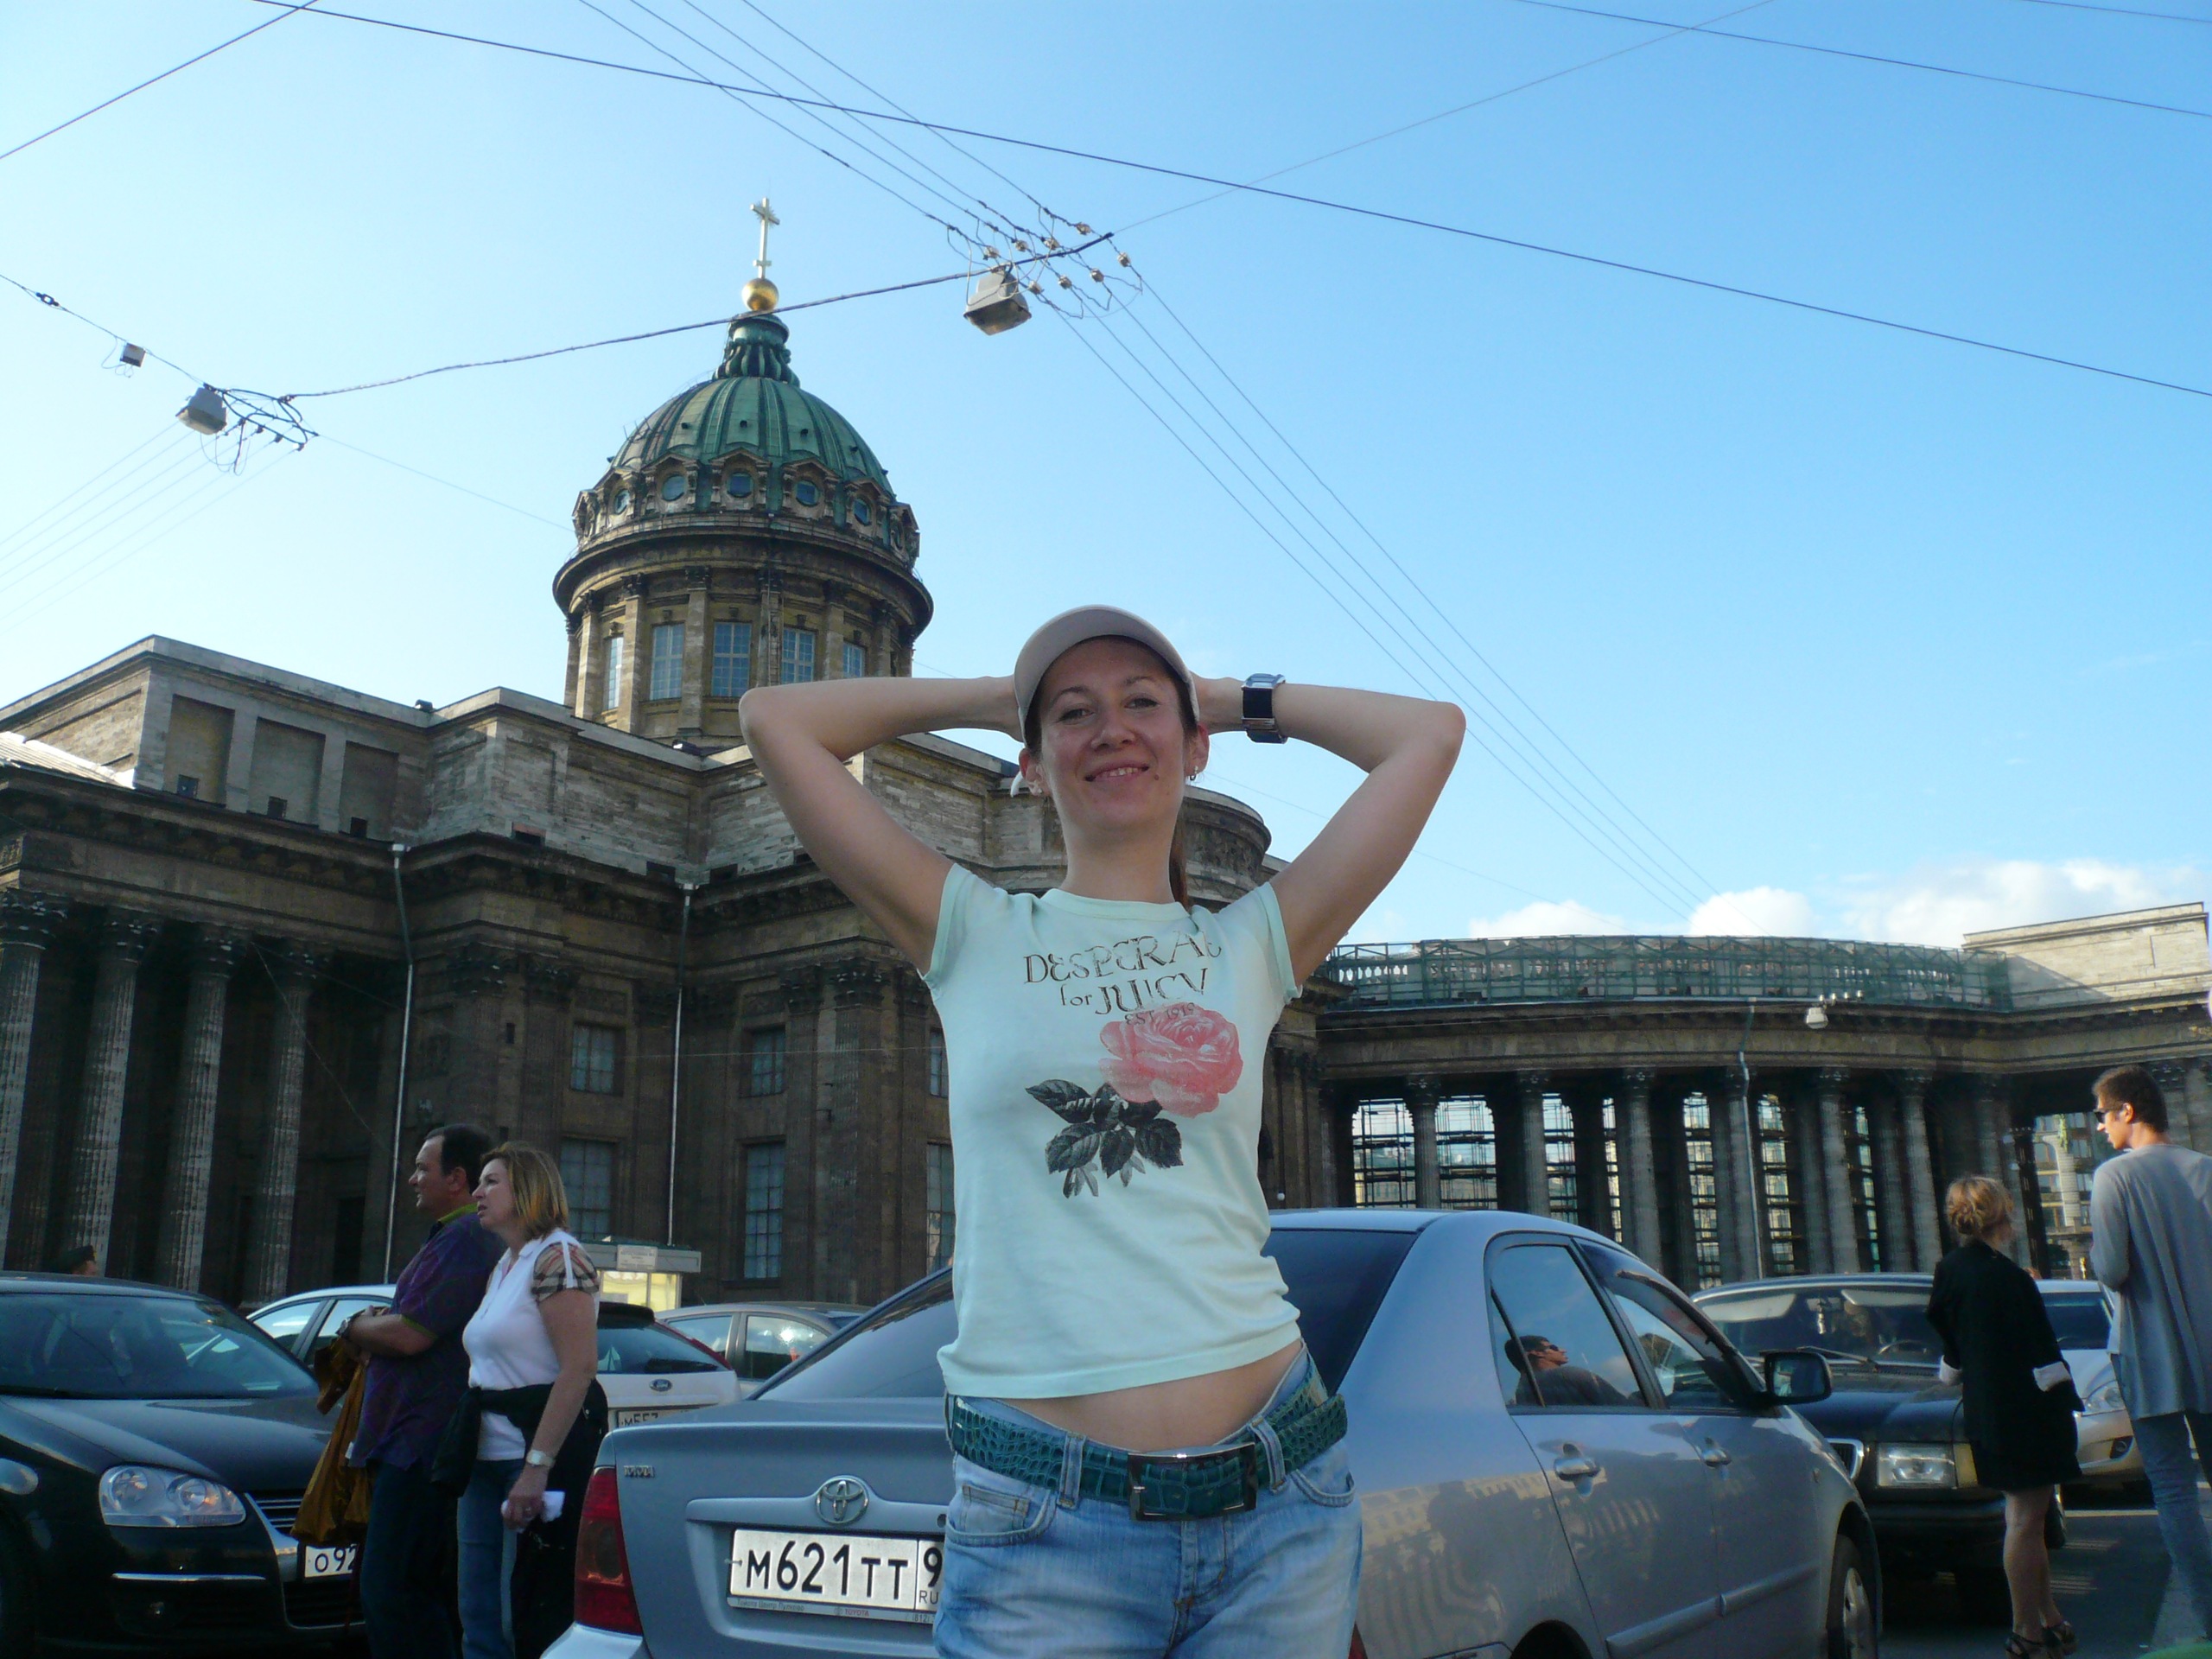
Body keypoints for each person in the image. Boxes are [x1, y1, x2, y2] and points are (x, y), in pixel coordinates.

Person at [741, 606, 1463, 1656]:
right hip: (1043, 1530)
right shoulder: (967, 928)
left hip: (1282, 1504)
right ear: (1032, 766)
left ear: (1195, 747)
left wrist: (1219, 700)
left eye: (1140, 706)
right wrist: (1006, 699)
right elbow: (776, 720)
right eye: (1075, 714)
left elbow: (1427, 734)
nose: (1111, 728)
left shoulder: (1253, 941)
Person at [340, 1124, 502, 1659]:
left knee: (394, 1590)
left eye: (422, 1168)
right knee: (413, 1589)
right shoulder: (458, 1237)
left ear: (456, 1179)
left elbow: (412, 1334)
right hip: (418, 1440)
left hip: (419, 1442)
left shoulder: (463, 1239)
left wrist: (355, 1328)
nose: (412, 1179)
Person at [455, 1143, 604, 1659]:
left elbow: (579, 1368)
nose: (477, 1193)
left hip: (524, 1458)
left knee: (519, 1612)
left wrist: (537, 1468)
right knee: (478, 1613)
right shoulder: (507, 1263)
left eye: (490, 1181)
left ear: (526, 1190)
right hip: (482, 1457)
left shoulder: (558, 1257)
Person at [1927, 1175, 2081, 1657]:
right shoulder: (2011, 1279)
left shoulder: (1950, 1269)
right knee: (2024, 1521)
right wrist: (2065, 1399)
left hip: (1985, 1408)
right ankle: (2025, 1631)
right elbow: (2041, 1351)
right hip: (2027, 1412)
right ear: (2003, 1217)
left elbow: (1948, 1338)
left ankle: (2049, 1617)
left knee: (2028, 1520)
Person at [2088, 1064, 2212, 1641]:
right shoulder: (2205, 1168)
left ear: (2127, 1112)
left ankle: (2209, 1620)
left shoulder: (2114, 1177)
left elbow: (2112, 1268)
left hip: (2147, 1351)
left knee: (2173, 1489)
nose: (2099, 1127)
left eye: (2101, 1114)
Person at [1503, 1334, 1632, 1408]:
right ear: (1537, 1353)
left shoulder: (1522, 1393)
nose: (1562, 1350)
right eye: (1553, 1347)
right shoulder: (1570, 1375)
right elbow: (1622, 1405)